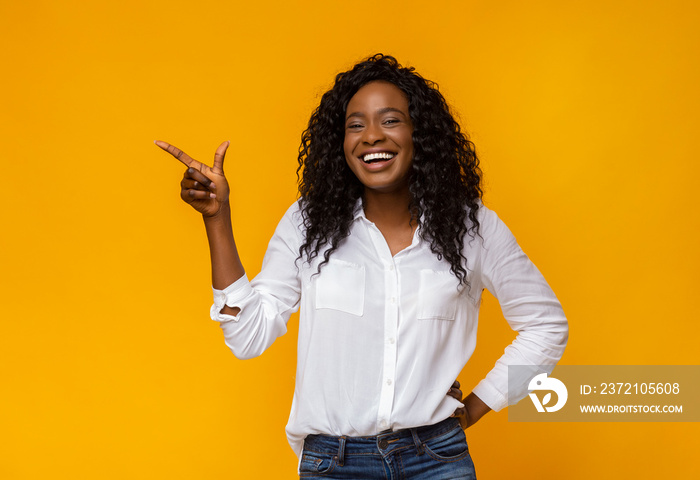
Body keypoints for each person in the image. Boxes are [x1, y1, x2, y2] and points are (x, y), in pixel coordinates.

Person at [156, 54, 568, 479]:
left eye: (390, 121)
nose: (371, 136)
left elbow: (546, 325)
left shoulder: (473, 227)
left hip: (436, 461)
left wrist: (478, 406)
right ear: (341, 141)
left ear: (419, 134)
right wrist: (217, 219)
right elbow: (248, 337)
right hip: (334, 465)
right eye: (356, 124)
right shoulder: (307, 222)